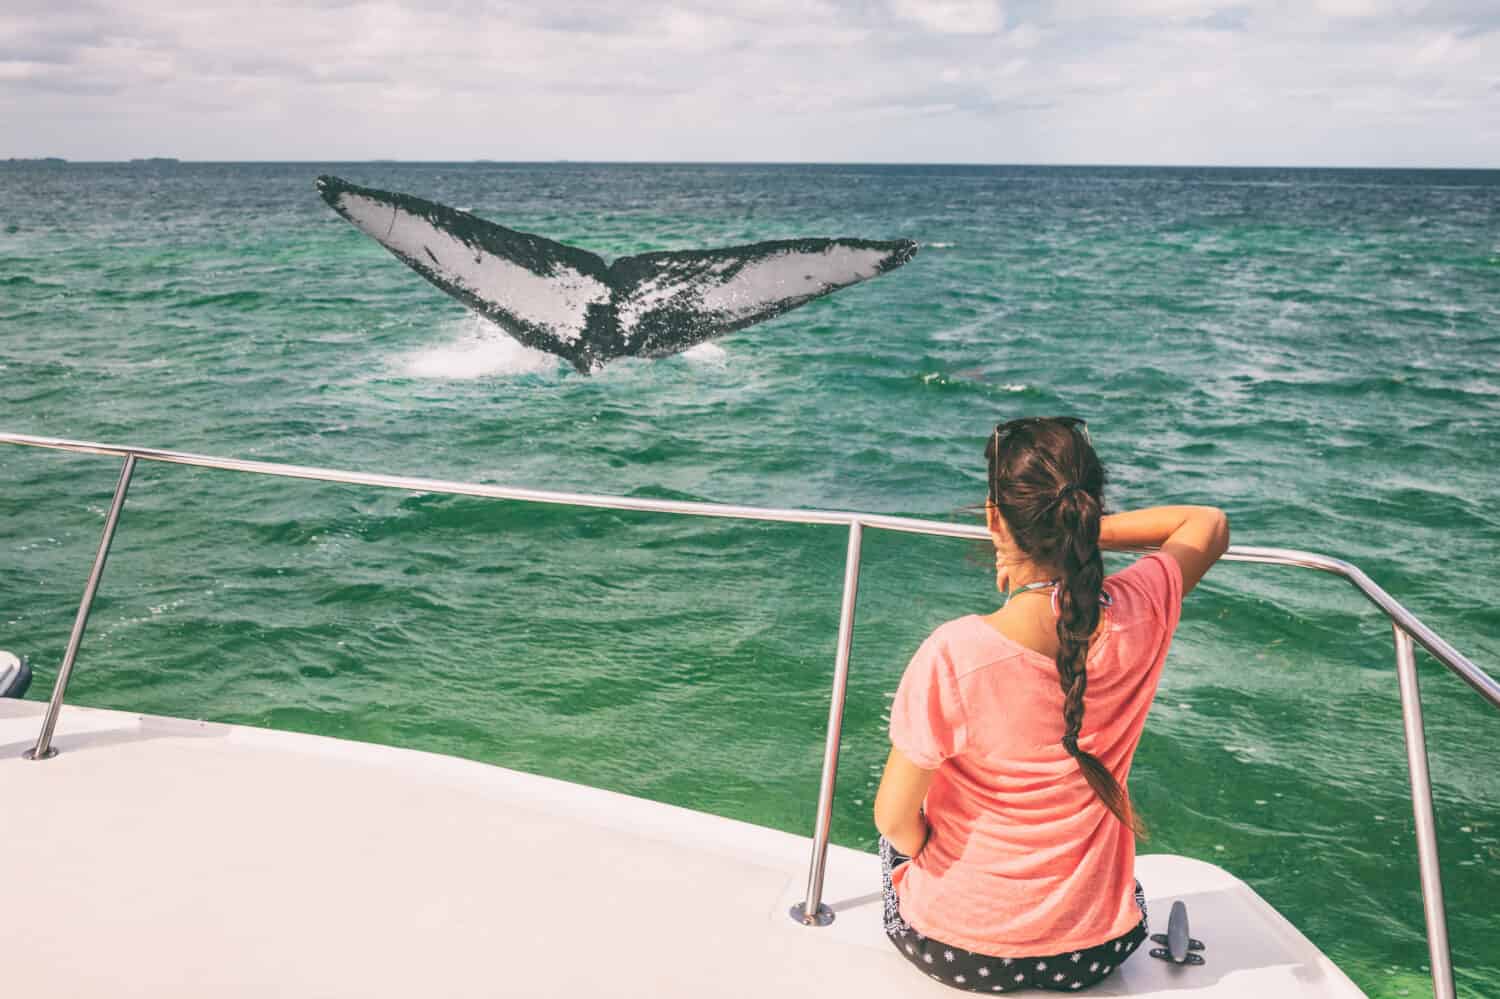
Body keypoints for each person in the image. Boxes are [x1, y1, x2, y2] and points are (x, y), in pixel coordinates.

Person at [873, 416, 1229, 993]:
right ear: (1086, 513)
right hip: (1095, 949)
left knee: (898, 829)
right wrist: (1080, 537)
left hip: (956, 947)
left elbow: (893, 820)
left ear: (995, 520)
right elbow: (1207, 524)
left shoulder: (955, 653)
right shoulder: (1143, 610)